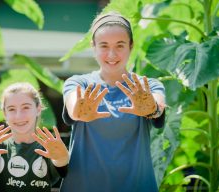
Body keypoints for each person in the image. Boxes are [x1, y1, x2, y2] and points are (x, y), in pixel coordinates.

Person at [60, 11, 166, 192]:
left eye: (120, 45)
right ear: (93, 47)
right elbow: (73, 107)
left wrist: (151, 109)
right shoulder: (79, 83)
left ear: (131, 46)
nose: (112, 54)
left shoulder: (148, 87)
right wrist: (79, 112)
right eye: (104, 46)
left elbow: (158, 108)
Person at [0, 82, 69, 192]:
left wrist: (62, 157)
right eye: (11, 109)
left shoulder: (49, 149)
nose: (18, 116)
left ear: (38, 109)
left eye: (26, 107)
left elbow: (62, 166)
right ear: (4, 113)